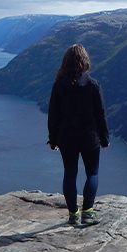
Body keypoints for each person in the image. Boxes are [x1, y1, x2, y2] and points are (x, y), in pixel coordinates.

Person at [47, 44, 109, 225]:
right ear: (85, 62)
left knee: (70, 173)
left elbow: (53, 115)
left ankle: (73, 215)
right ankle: (87, 213)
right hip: (90, 137)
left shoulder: (58, 86)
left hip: (66, 137)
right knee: (92, 173)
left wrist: (53, 139)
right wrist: (105, 138)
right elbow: (101, 114)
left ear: (65, 62)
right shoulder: (93, 85)